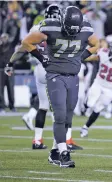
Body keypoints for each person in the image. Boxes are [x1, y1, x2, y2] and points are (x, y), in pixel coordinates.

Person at [19, 6, 99, 168]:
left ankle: (55, 152)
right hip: (55, 75)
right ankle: (63, 152)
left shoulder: (85, 29)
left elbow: (96, 44)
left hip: (73, 76)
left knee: (68, 116)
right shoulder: (51, 27)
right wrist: (42, 58)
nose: (71, 32)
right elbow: (26, 42)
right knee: (60, 115)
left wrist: (81, 57)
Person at [5, 4, 83, 151]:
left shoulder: (37, 28)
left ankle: (37, 140)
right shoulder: (59, 28)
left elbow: (22, 48)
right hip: (55, 69)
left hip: (40, 69)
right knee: (61, 108)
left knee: (43, 106)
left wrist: (10, 63)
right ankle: (61, 144)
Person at [80, 38, 112, 137]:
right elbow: (92, 58)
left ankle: (85, 127)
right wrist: (80, 58)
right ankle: (85, 105)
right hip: (98, 84)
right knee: (90, 103)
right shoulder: (103, 53)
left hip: (110, 89)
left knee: (97, 109)